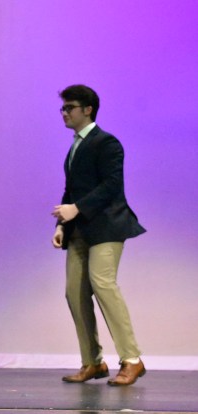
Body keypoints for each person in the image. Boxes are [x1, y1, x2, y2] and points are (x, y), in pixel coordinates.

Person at [51, 84, 147, 386]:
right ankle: (92, 362)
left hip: (107, 226)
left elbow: (111, 186)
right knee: (75, 293)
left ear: (87, 109)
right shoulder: (75, 147)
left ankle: (132, 359)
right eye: (63, 108)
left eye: (70, 107)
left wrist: (76, 208)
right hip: (80, 230)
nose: (64, 113)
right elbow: (71, 190)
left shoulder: (107, 143)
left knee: (103, 285)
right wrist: (61, 225)